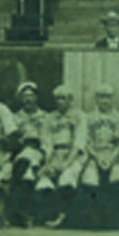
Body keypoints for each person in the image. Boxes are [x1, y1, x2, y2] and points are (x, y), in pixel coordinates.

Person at [80, 83, 119, 227]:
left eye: (107, 97)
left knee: (117, 174)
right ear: (96, 99)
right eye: (101, 97)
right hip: (94, 154)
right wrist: (96, 157)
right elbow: (86, 141)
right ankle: (93, 219)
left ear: (112, 99)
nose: (104, 100)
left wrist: (112, 158)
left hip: (113, 154)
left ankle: (114, 219)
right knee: (89, 178)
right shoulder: (88, 117)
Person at [37, 84, 87, 228]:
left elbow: (79, 143)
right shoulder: (50, 118)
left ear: (71, 100)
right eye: (57, 98)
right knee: (43, 181)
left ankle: (67, 218)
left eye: (63, 98)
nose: (59, 101)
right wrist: (47, 164)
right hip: (55, 155)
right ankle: (59, 213)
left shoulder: (79, 116)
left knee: (67, 178)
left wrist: (66, 164)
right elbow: (47, 144)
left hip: (73, 155)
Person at [7, 81, 51, 226]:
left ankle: (20, 212)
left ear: (36, 97)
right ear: (20, 98)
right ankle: (24, 214)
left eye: (31, 96)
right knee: (26, 173)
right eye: (25, 96)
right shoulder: (15, 117)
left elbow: (47, 139)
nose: (28, 99)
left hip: (37, 151)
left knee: (26, 166)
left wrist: (45, 155)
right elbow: (12, 138)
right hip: (21, 151)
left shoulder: (44, 117)